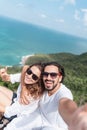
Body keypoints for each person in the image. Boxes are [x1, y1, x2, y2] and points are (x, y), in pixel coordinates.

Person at [1, 62, 87, 130]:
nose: (48, 78)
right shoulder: (43, 85)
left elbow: (65, 103)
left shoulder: (63, 93)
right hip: (31, 118)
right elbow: (25, 68)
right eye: (45, 74)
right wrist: (23, 88)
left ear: (60, 77)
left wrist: (75, 116)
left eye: (53, 75)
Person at [0, 63, 45, 128]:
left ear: (38, 81)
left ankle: (3, 121)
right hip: (16, 101)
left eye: (34, 77)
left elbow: (9, 112)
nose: (29, 76)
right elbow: (8, 78)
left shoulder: (31, 96)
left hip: (17, 114)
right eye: (29, 71)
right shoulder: (26, 76)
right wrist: (4, 75)